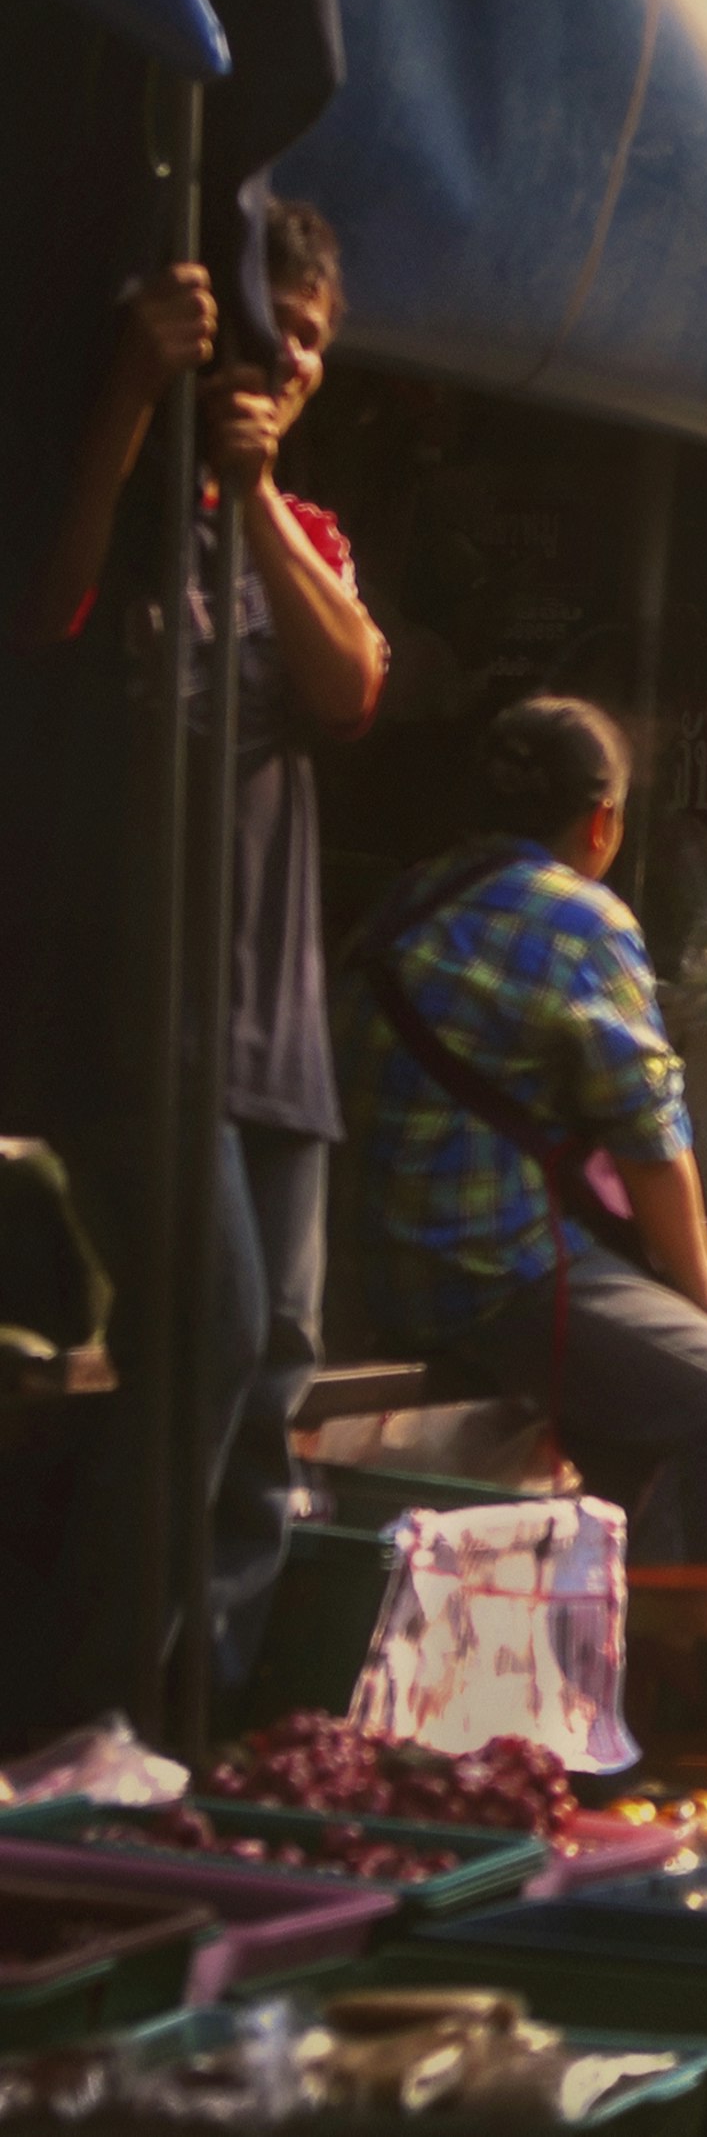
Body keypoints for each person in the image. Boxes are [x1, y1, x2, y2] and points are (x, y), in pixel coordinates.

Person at [24, 210, 389, 1691]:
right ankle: (80, 1711)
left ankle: (204, 1727)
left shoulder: (299, 535)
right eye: (269, 328)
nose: (289, 357)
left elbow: (353, 682)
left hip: (279, 1044)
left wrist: (253, 498)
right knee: (212, 1343)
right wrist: (126, 392)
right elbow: (43, 605)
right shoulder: (120, 500)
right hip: (140, 1025)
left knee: (264, 1391)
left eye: (312, 334)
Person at [353, 699, 707, 1563]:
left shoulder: (404, 902)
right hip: (501, 1283)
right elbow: (650, 1139)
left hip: (387, 1278)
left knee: (651, 1401)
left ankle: (628, 1649)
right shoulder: (582, 920)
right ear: (602, 821)